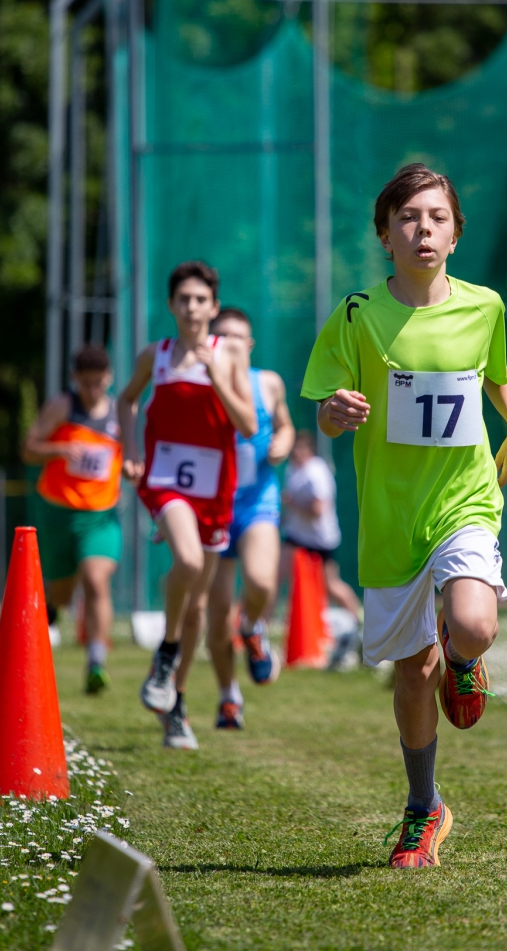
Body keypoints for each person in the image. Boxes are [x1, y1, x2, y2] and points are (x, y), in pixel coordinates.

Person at [301, 162, 507, 869]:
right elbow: (324, 411)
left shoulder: (485, 306)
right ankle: (423, 806)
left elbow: (493, 370)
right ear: (385, 235)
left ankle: (463, 660)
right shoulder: (357, 315)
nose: (423, 230)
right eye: (408, 218)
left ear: (456, 235)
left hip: (463, 498)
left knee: (473, 624)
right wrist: (334, 412)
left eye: (437, 218)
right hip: (390, 515)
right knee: (410, 673)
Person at [118, 261, 256, 750]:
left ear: (213, 307)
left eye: (200, 300)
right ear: (171, 305)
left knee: (197, 606)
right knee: (190, 561)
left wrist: (216, 375)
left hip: (215, 491)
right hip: (163, 481)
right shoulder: (154, 356)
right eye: (184, 299)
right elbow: (125, 401)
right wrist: (130, 450)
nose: (192, 307)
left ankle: (173, 703)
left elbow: (248, 425)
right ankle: (166, 650)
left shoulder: (229, 354)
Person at [198, 307, 295, 730]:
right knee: (217, 615)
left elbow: (285, 425)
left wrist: (283, 444)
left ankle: (253, 626)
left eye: (239, 337)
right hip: (213, 506)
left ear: (250, 344)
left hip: (257, 502)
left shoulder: (268, 382)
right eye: (223, 336)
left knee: (261, 582)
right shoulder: (199, 382)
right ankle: (228, 697)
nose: (232, 344)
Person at [22, 344, 123, 694]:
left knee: (96, 580)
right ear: (74, 378)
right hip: (58, 515)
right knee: (61, 594)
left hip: (100, 517)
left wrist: (134, 468)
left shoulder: (121, 412)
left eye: (99, 382)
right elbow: (29, 448)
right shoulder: (62, 407)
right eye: (86, 383)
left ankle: (96, 662)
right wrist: (59, 449)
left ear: (109, 377)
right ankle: (51, 613)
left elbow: (131, 456)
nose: (93, 390)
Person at [281, 430, 361, 629]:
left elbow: (317, 511)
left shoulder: (316, 472)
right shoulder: (292, 469)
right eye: (294, 449)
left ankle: (358, 620)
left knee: (330, 584)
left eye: (300, 448)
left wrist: (292, 505)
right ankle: (257, 626)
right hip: (297, 536)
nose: (296, 453)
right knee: (277, 576)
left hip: (320, 539)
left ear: (310, 450)